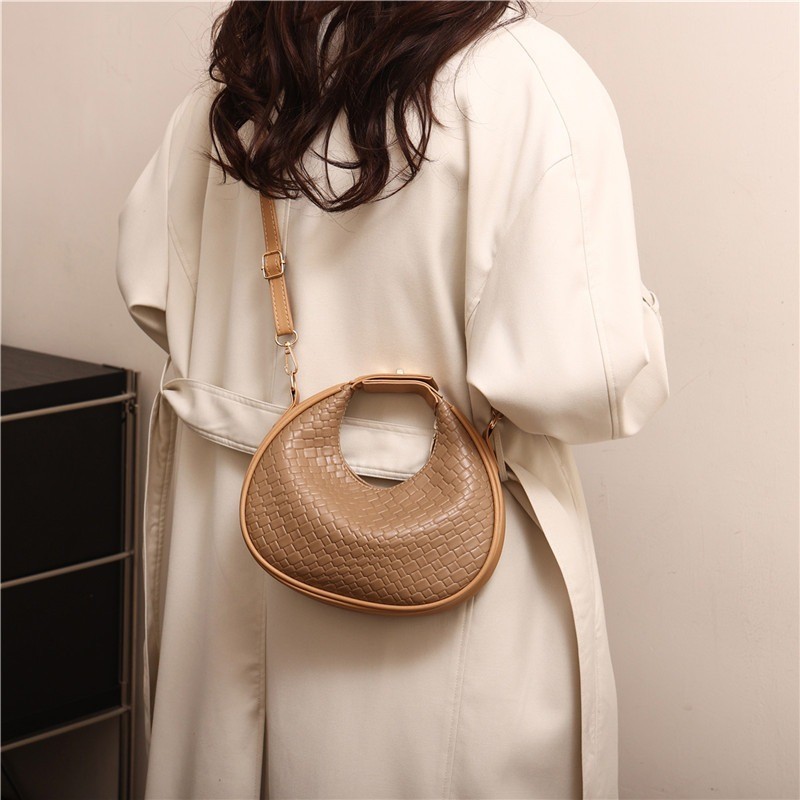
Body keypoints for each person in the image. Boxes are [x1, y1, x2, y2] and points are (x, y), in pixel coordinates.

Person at [116, 2, 669, 798]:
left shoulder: (244, 85)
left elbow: (152, 292)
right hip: (442, 593)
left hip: (228, 552)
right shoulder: (524, 77)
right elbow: (586, 381)